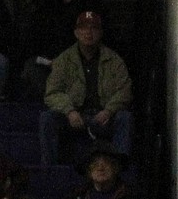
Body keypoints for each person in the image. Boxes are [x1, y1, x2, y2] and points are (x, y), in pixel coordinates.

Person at [40, 10, 133, 166]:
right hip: (75, 117)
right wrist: (69, 111)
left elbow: (125, 91)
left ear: (101, 33)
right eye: (84, 28)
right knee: (47, 118)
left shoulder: (114, 60)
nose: (88, 33)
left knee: (125, 118)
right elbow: (52, 93)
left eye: (94, 28)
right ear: (76, 33)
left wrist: (109, 111)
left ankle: (120, 168)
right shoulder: (64, 60)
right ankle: (50, 170)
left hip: (103, 118)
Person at [16, 0, 68, 100]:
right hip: (37, 57)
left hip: (58, 55)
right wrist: (32, 2)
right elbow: (24, 35)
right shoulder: (29, 5)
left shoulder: (59, 2)